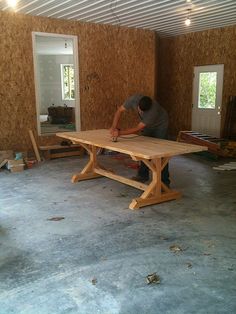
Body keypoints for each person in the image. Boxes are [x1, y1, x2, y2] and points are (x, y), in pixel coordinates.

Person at [110, 94, 170, 186]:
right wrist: (113, 128)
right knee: (144, 149)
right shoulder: (133, 100)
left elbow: (137, 128)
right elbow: (119, 111)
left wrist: (119, 133)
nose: (141, 113)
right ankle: (142, 175)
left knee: (161, 152)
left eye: (143, 112)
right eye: (140, 110)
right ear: (138, 105)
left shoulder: (152, 112)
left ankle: (164, 182)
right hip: (148, 125)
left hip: (160, 125)